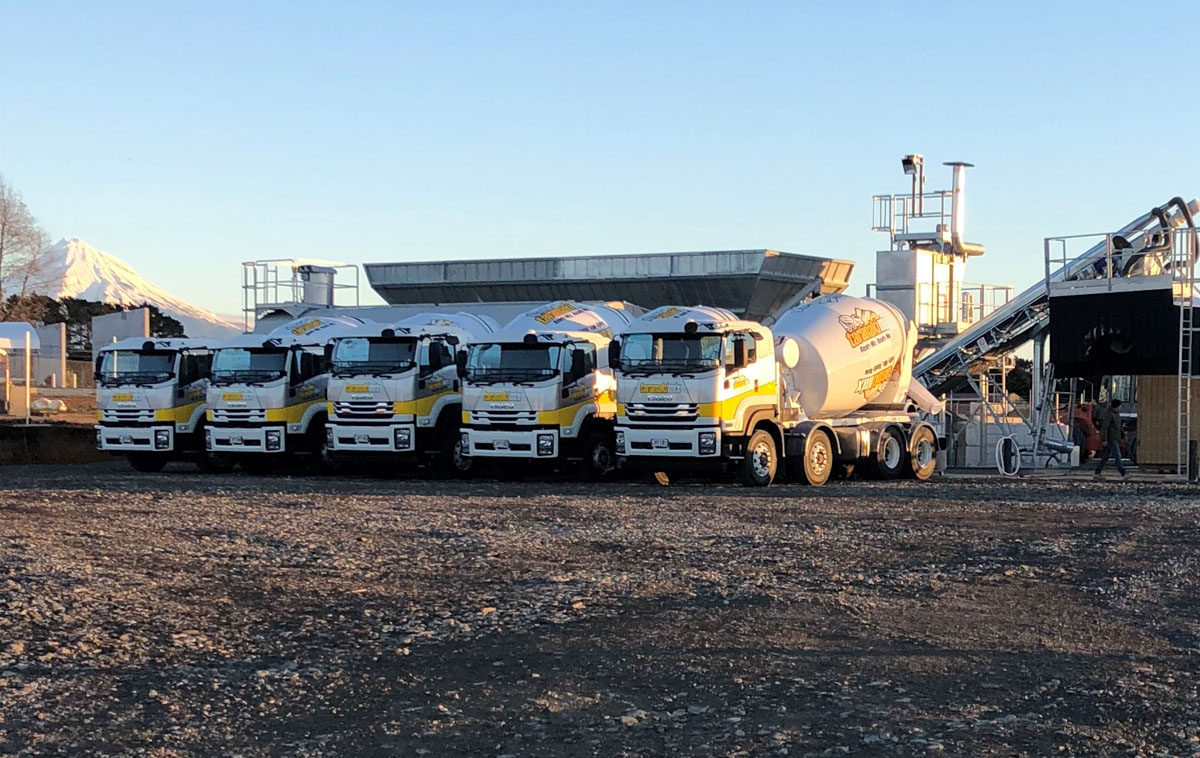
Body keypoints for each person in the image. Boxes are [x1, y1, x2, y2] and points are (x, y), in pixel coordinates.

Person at [1094, 399, 1130, 481]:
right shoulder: (1109, 414)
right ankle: (1124, 474)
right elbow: (1105, 427)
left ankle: (1097, 473)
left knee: (1105, 457)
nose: (1120, 407)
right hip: (1111, 439)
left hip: (1115, 438)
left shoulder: (1116, 414)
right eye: (1119, 406)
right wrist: (1104, 439)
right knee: (1118, 456)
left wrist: (1123, 435)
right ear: (1116, 406)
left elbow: (1119, 426)